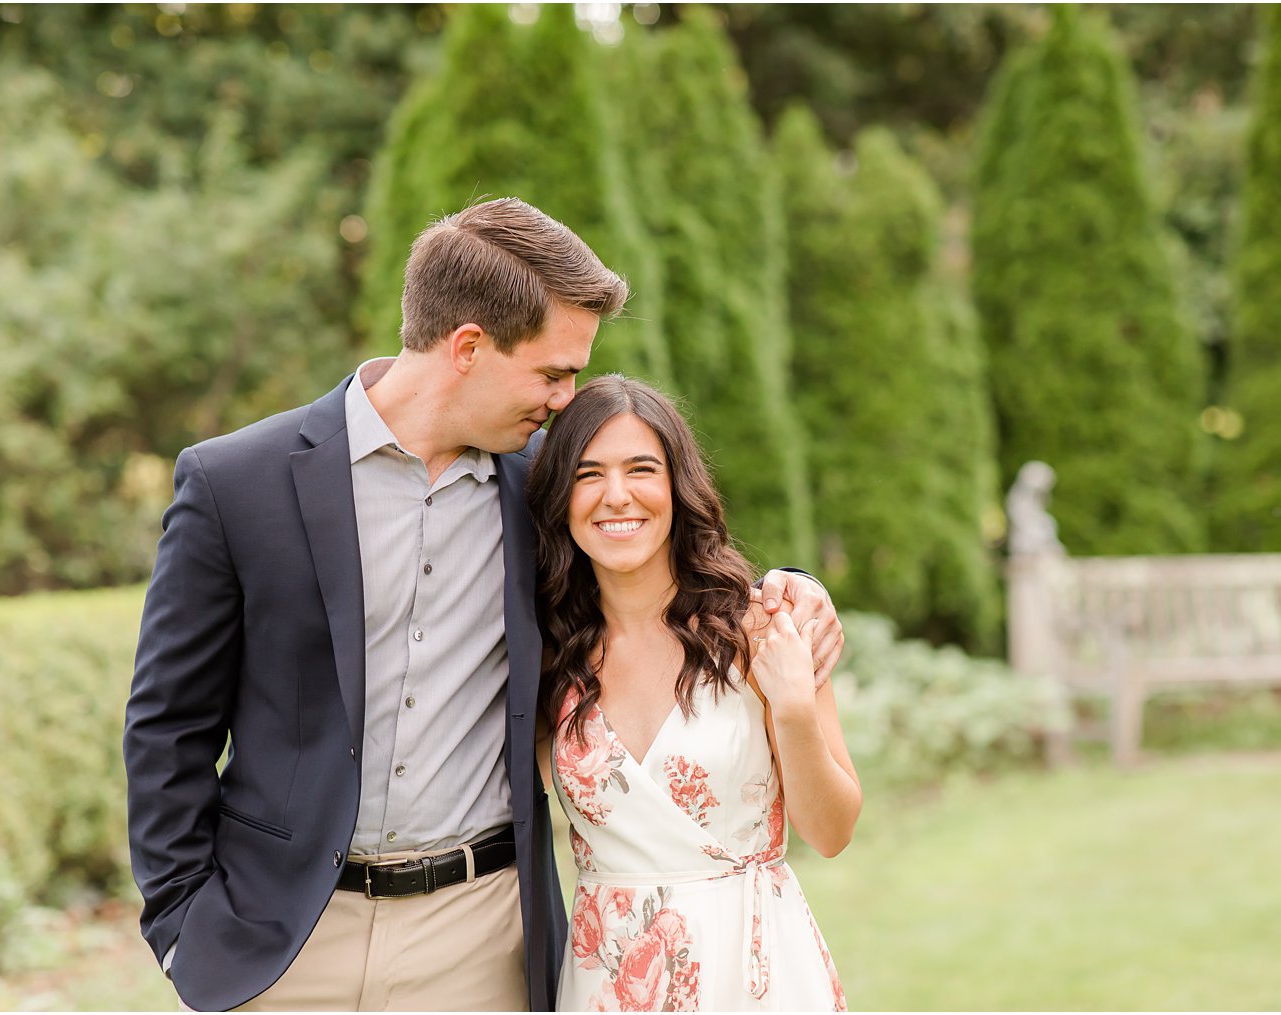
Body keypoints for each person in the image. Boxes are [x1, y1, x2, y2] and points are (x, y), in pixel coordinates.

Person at [123, 197, 846, 1012]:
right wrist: (182, 919)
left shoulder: (544, 486)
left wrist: (795, 588)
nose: (567, 398)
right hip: (285, 939)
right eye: (552, 371)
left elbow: (662, 552)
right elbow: (167, 723)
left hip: (478, 937)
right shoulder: (235, 482)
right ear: (468, 346)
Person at [527, 375, 861, 1012]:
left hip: (754, 968)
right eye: (588, 473)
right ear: (559, 498)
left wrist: (792, 710)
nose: (616, 495)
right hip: (608, 980)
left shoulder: (760, 627)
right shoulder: (550, 656)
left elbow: (832, 831)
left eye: (641, 468)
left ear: (677, 488)